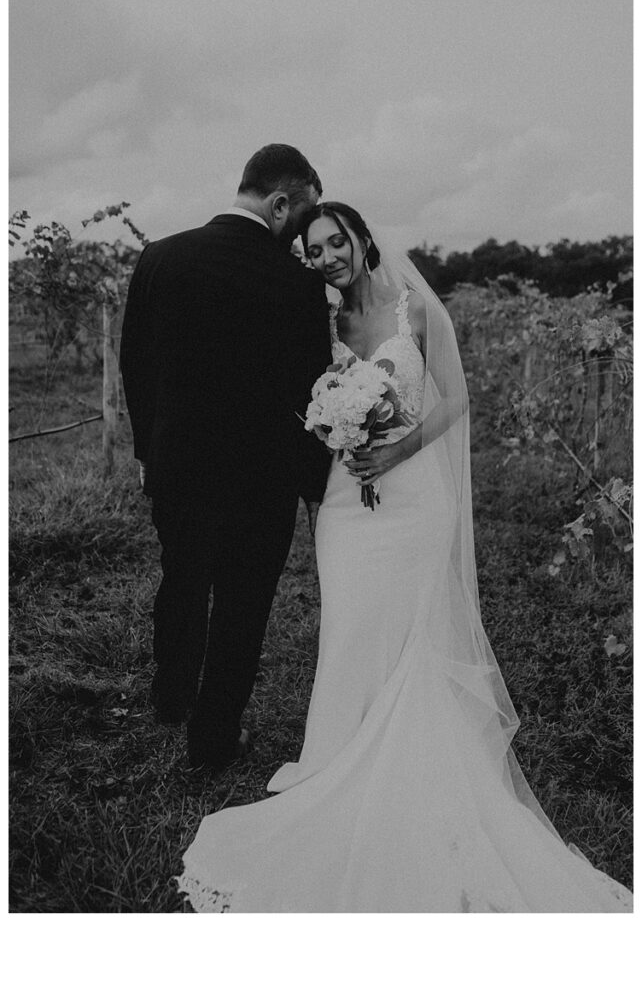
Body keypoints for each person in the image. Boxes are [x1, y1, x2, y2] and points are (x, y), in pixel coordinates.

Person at [176, 203, 632, 912]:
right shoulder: (322, 324)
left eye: (336, 241)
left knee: (412, 630)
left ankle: (410, 765)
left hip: (415, 495)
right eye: (314, 248)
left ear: (360, 240)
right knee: (352, 630)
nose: (328, 255)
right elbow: (301, 403)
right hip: (346, 504)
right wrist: (334, 427)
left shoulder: (414, 308)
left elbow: (456, 398)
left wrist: (398, 447)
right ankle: (337, 758)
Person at [120, 145, 332, 770]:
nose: (304, 233)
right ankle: (213, 740)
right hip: (260, 483)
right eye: (303, 215)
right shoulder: (298, 284)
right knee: (243, 606)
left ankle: (170, 695)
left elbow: (138, 366)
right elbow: (310, 389)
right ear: (280, 202)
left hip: (177, 466)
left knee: (181, 580)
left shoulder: (160, 256)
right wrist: (311, 483)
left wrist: (145, 451)